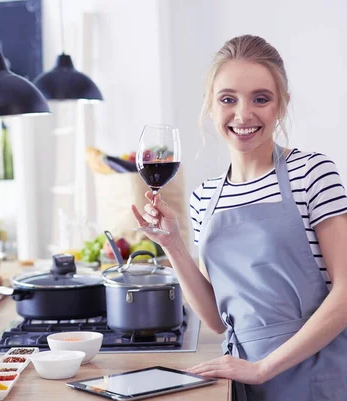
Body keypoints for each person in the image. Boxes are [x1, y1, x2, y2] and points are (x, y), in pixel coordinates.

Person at [132, 34, 347, 401]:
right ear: (210, 107)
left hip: (316, 373)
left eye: (260, 99)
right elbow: (216, 320)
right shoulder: (205, 198)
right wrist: (173, 244)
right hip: (241, 377)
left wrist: (264, 368)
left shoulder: (311, 173)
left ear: (281, 105)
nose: (243, 115)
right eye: (228, 99)